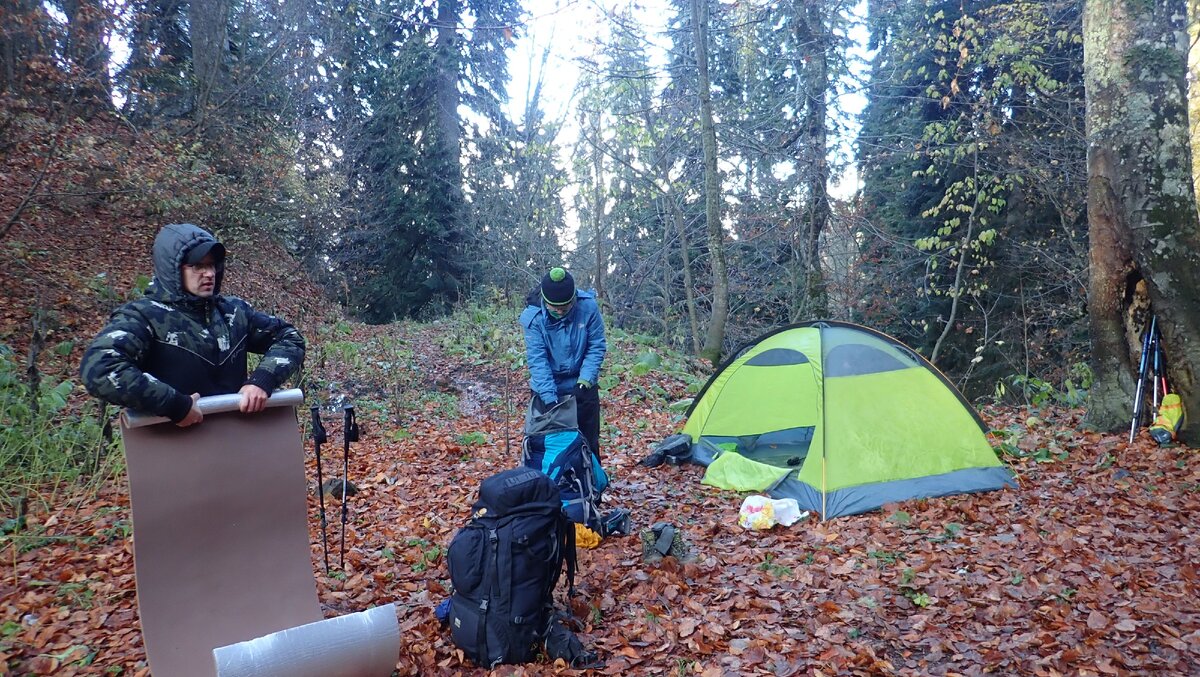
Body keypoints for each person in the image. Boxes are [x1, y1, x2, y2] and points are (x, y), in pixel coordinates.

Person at [80, 223, 305, 426]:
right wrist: (175, 405)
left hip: (237, 437)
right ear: (173, 269)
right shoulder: (144, 316)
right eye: (197, 266)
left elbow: (289, 337)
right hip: (172, 449)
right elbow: (100, 367)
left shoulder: (234, 312)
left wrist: (262, 380)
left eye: (211, 265)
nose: (208, 274)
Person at [520, 267, 607, 459]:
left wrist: (584, 381)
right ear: (545, 301)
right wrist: (550, 399)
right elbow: (538, 359)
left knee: (588, 442)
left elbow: (596, 346)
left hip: (582, 387)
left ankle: (591, 485)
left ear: (573, 299)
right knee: (549, 446)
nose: (559, 311)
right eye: (554, 307)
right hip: (547, 390)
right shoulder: (534, 318)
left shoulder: (588, 308)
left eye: (565, 307)